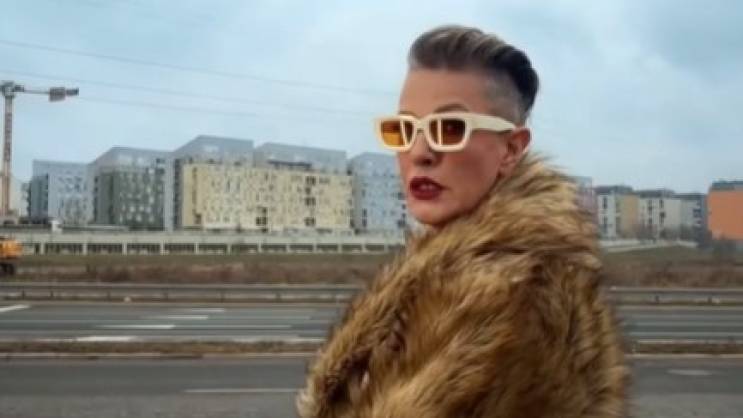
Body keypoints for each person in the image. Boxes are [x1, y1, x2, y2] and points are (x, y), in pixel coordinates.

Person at [297, 25, 628, 418]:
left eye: (450, 128)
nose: (419, 152)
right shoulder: (450, 272)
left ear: (511, 149)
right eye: (404, 129)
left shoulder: (512, 300)